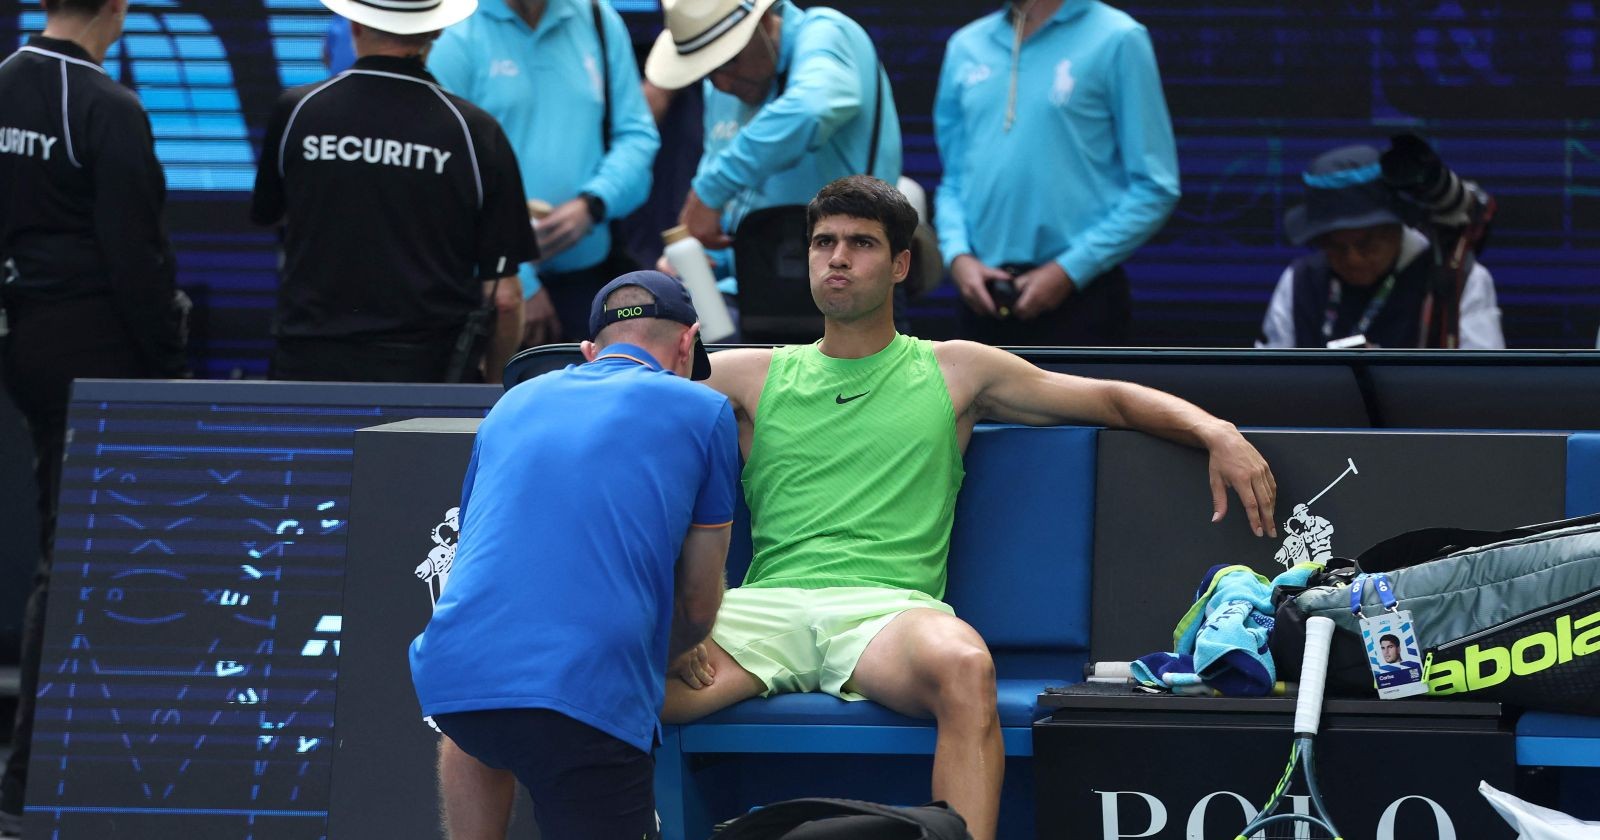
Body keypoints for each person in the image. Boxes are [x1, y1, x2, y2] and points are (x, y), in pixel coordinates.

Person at [667, 175, 1276, 840]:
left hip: (887, 615)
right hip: (765, 613)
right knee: (599, 674)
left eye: (861, 243)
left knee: (966, 668)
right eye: (824, 242)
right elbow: (607, 403)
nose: (837, 257)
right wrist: (670, 624)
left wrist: (1215, 431)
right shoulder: (745, 373)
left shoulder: (957, 368)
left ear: (900, 265)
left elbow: (1112, 400)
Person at [409, 270, 739, 839]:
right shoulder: (704, 411)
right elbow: (697, 606)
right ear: (687, 343)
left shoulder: (511, 405)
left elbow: (479, 552)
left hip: (453, 680)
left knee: (478, 735)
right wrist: (673, 650)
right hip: (586, 698)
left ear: (590, 352)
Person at [0, 0, 188, 831]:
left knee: (66, 540)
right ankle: (37, 776)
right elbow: (135, 256)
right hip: (95, 355)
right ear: (116, 10)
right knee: (76, 553)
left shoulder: (4, 84)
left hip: (23, 340)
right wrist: (170, 367)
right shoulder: (108, 108)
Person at [251, 0, 533, 384]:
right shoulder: (475, 132)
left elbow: (271, 214)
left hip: (308, 368)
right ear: (436, 32)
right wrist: (493, 391)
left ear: (353, 26)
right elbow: (504, 299)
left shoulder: (298, 111)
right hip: (428, 379)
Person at [934, 0, 1180, 347]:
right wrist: (958, 256)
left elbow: (1156, 186)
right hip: (980, 298)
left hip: (1082, 297)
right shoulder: (965, 45)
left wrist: (1069, 270)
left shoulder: (1118, 37)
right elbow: (954, 180)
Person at [427, 0, 661, 345]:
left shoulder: (598, 19)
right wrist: (516, 274)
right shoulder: (454, 31)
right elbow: (444, 176)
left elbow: (637, 136)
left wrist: (593, 204)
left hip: (589, 283)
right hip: (491, 287)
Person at [643, 0, 901, 287]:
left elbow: (812, 107)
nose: (723, 84)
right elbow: (725, 194)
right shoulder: (720, 89)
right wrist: (695, 256)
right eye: (708, 71)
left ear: (765, 21)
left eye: (729, 60)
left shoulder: (827, 32)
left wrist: (709, 191)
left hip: (846, 286)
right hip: (760, 283)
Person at [1259, 144, 1505, 349]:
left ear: (1396, 225)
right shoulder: (1299, 281)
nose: (1353, 259)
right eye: (1335, 247)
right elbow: (1267, 385)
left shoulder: (1457, 278)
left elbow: (1487, 390)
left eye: (1366, 244)